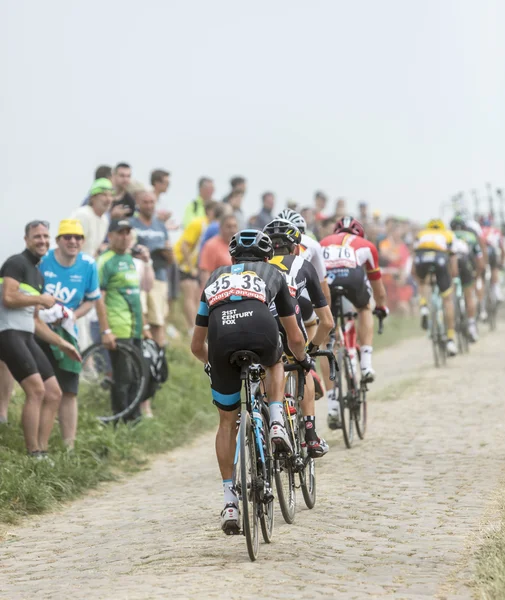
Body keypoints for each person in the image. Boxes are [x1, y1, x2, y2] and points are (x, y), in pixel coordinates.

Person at [190, 229, 310, 533]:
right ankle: (276, 420)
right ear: (267, 257)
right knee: (275, 360)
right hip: (261, 328)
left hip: (220, 340)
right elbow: (294, 336)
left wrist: (213, 364)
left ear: (232, 258)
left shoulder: (214, 277)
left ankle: (230, 502)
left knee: (226, 423)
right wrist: (304, 360)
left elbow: (195, 346)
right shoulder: (272, 273)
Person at [0, 221, 81, 457]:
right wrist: (40, 300)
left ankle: (42, 452)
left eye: (46, 236)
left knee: (54, 392)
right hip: (7, 334)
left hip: (25, 335)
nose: (42, 241)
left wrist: (63, 343)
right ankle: (33, 452)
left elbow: (36, 322)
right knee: (36, 390)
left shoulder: (37, 273)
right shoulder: (16, 263)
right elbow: (8, 298)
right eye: (37, 236)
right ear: (26, 239)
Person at [264, 218, 334, 456]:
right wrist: (312, 348)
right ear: (295, 248)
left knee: (267, 367)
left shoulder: (257, 267)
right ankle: (312, 436)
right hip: (291, 318)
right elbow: (327, 322)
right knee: (302, 367)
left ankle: (267, 422)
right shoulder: (303, 264)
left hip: (258, 322)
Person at [37, 220, 101, 448]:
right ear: (58, 241)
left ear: (83, 241)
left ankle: (69, 447)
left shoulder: (88, 264)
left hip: (67, 333)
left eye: (78, 237)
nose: (73, 241)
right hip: (40, 330)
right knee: (41, 389)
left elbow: (91, 301)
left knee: (69, 391)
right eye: (68, 237)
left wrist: (72, 315)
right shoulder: (43, 262)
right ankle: (36, 444)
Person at [320, 216, 389, 428]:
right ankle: (366, 364)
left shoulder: (323, 243)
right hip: (352, 278)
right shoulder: (367, 246)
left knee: (326, 342)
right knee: (364, 307)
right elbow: (377, 287)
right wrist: (381, 307)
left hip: (327, 281)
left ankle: (332, 407)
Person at [96, 219, 152, 421]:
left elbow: (137, 295)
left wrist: (144, 324)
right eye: (120, 232)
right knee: (123, 377)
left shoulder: (130, 258)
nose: (125, 236)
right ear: (110, 235)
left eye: (128, 232)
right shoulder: (105, 261)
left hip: (135, 327)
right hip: (117, 327)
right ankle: (120, 421)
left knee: (137, 376)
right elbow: (98, 299)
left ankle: (135, 419)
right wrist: (105, 330)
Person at [277, 209, 331, 340]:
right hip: (301, 299)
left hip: (271, 300)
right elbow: (322, 283)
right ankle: (309, 357)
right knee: (314, 323)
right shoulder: (312, 243)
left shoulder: (268, 243)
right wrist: (327, 314)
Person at [130, 190, 172, 347]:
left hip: (159, 276)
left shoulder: (160, 226)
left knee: (158, 320)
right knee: (141, 317)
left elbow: (169, 251)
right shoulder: (131, 224)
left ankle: (158, 356)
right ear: (138, 204)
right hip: (138, 277)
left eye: (151, 202)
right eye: (145, 202)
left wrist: (167, 253)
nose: (149, 205)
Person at [412, 219, 458, 356]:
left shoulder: (421, 234)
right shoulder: (448, 234)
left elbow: (414, 258)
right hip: (439, 258)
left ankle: (424, 306)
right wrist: (453, 276)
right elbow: (453, 258)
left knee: (422, 282)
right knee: (447, 299)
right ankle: (450, 339)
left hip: (421, 257)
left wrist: (418, 279)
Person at [174, 202, 218, 334]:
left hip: (195, 265)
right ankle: (191, 327)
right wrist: (190, 266)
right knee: (189, 293)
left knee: (195, 296)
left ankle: (194, 327)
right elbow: (184, 246)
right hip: (184, 263)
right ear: (209, 211)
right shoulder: (198, 223)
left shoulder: (211, 226)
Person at [450, 216, 484, 342]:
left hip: (451, 265)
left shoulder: (449, 235)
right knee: (469, 295)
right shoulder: (471, 236)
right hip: (466, 263)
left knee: (448, 295)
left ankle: (449, 329)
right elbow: (479, 258)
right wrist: (478, 273)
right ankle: (471, 325)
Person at [72, 178, 113, 258]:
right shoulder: (83, 215)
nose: (108, 199)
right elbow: (72, 246)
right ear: (92, 198)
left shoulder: (105, 219)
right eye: (104, 195)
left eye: (110, 195)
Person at [199, 214, 238, 285]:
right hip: (218, 291)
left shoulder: (239, 246)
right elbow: (205, 273)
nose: (232, 230)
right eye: (228, 227)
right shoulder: (211, 246)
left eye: (234, 226)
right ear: (221, 228)